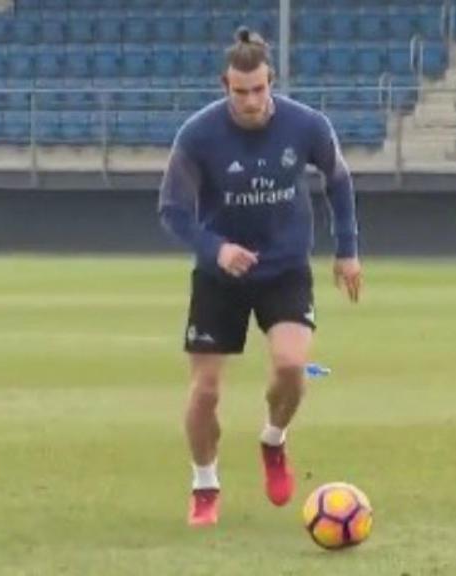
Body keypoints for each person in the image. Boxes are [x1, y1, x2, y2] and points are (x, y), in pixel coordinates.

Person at [157, 28, 362, 527]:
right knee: (205, 391)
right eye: (239, 91)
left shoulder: (307, 125)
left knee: (292, 367)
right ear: (224, 85)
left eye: (259, 89)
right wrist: (216, 248)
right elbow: (173, 210)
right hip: (219, 276)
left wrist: (348, 251)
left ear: (272, 80)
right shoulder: (198, 134)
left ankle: (273, 440)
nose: (251, 101)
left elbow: (338, 179)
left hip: (285, 269)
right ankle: (205, 485)